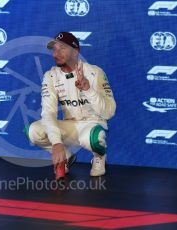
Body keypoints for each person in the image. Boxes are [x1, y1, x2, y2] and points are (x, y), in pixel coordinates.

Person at [25, 32, 116, 178]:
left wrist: (88, 89)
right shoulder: (51, 76)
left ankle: (99, 156)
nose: (56, 53)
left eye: (62, 48)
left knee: (94, 138)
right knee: (33, 131)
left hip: (92, 125)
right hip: (69, 127)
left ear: (76, 51)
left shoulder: (95, 72)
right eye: (54, 49)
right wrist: (56, 143)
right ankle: (66, 156)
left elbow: (109, 112)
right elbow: (48, 112)